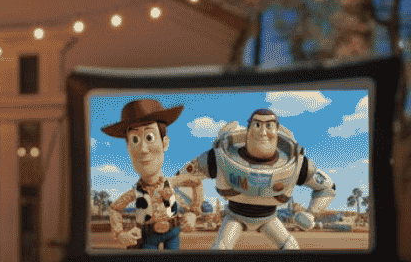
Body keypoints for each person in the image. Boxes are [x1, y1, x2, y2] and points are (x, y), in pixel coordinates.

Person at [180, 108, 336, 250]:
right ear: (248, 129)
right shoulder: (218, 156)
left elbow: (327, 187)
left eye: (268, 126)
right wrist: (190, 210)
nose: (262, 132)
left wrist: (311, 213)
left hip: (268, 218)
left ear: (277, 129)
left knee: (291, 248)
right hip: (235, 216)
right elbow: (182, 179)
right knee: (220, 250)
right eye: (257, 125)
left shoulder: (297, 163)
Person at [101, 99, 203, 250]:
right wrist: (119, 233)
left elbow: (197, 182)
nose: (143, 149)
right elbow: (115, 208)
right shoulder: (136, 192)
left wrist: (194, 212)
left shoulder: (172, 182)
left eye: (150, 137)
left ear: (165, 143)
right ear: (128, 148)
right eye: (135, 140)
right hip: (148, 237)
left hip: (173, 232)